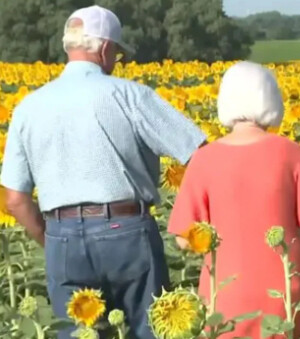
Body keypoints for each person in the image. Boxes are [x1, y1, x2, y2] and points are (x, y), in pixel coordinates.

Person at [1, 5, 207, 339]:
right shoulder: (130, 95)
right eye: (118, 55)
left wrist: (50, 239)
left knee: (77, 332)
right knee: (150, 328)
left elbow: (14, 199)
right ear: (107, 48)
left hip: (61, 236)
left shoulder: (28, 107)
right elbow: (200, 154)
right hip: (127, 231)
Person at [167, 61, 300, 339]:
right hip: (284, 294)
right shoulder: (291, 153)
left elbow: (182, 238)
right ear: (271, 99)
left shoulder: (204, 159)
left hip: (223, 297)